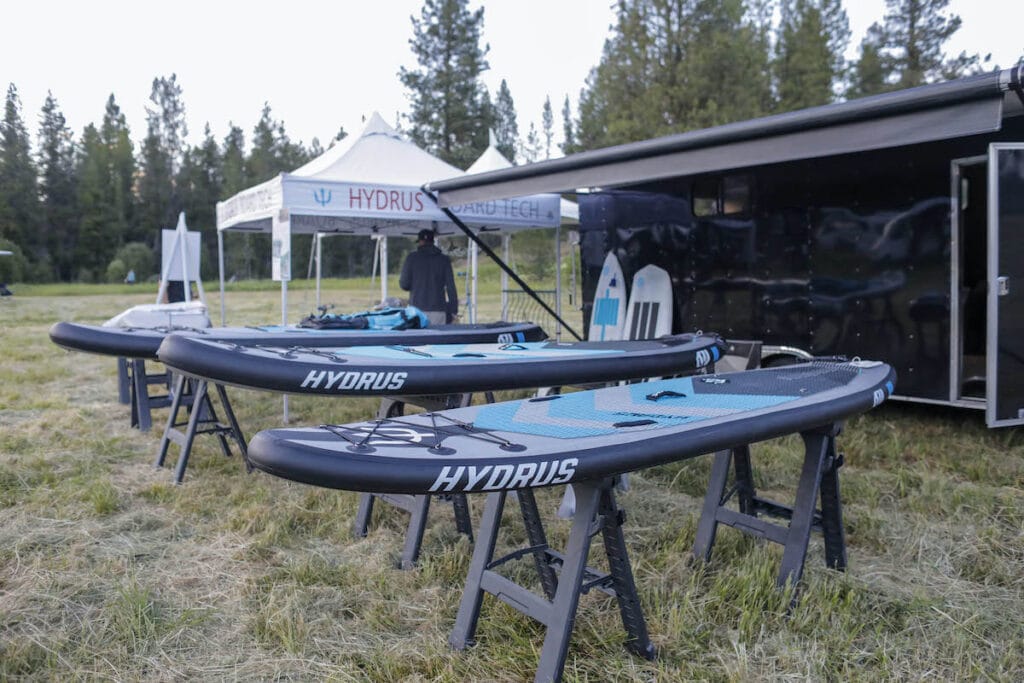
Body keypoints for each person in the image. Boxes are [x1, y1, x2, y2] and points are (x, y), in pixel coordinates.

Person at [399, 229, 458, 326]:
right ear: (433, 241)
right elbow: (451, 286)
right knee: (438, 340)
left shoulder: (412, 258)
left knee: (418, 340)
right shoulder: (444, 260)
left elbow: (404, 285)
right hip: (438, 309)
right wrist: (453, 310)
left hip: (416, 310)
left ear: (421, 241)